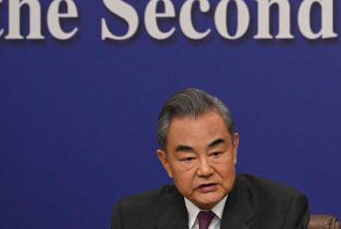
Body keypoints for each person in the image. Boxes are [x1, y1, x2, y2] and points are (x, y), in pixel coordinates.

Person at [111, 88, 310, 229]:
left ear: (234, 149)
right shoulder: (132, 217)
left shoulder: (282, 210)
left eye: (216, 154)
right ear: (166, 162)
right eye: (188, 158)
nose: (205, 170)